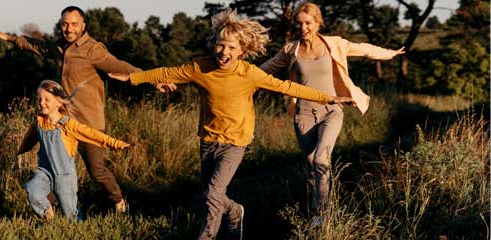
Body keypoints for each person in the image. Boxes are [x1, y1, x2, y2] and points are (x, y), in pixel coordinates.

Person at [108, 9, 354, 240]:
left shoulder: (249, 73)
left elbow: (287, 87)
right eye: (220, 45)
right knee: (210, 194)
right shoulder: (200, 67)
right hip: (208, 140)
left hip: (236, 141)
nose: (224, 51)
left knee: (213, 195)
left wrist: (328, 97)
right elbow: (167, 71)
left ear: (241, 51)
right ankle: (235, 211)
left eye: (231, 47)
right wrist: (132, 78)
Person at [0, 6, 174, 212]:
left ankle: (118, 201)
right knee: (54, 167)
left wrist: (152, 80)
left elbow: (121, 66)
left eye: (74, 24)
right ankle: (50, 208)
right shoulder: (59, 47)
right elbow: (36, 46)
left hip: (89, 121)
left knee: (96, 170)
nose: (69, 29)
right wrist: (11, 38)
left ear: (83, 26)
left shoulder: (92, 50)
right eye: (64, 24)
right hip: (62, 123)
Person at [259, 2, 404, 227]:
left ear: (318, 23)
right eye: (299, 23)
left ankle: (323, 215)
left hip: (332, 110)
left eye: (308, 23)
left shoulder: (333, 44)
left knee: (320, 159)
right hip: (304, 114)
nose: (303, 28)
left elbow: (363, 48)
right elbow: (265, 69)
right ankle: (314, 210)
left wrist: (390, 53)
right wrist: (239, 77)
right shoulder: (290, 50)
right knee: (312, 168)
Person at [16, 80, 131, 221]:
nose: (41, 103)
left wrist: (116, 143)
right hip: (44, 172)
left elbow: (92, 134)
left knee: (71, 215)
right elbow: (29, 138)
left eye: (47, 99)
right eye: (39, 99)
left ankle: (78, 230)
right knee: (32, 190)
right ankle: (49, 215)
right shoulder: (39, 123)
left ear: (59, 103)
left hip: (64, 177)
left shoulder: (68, 125)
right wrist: (20, 150)